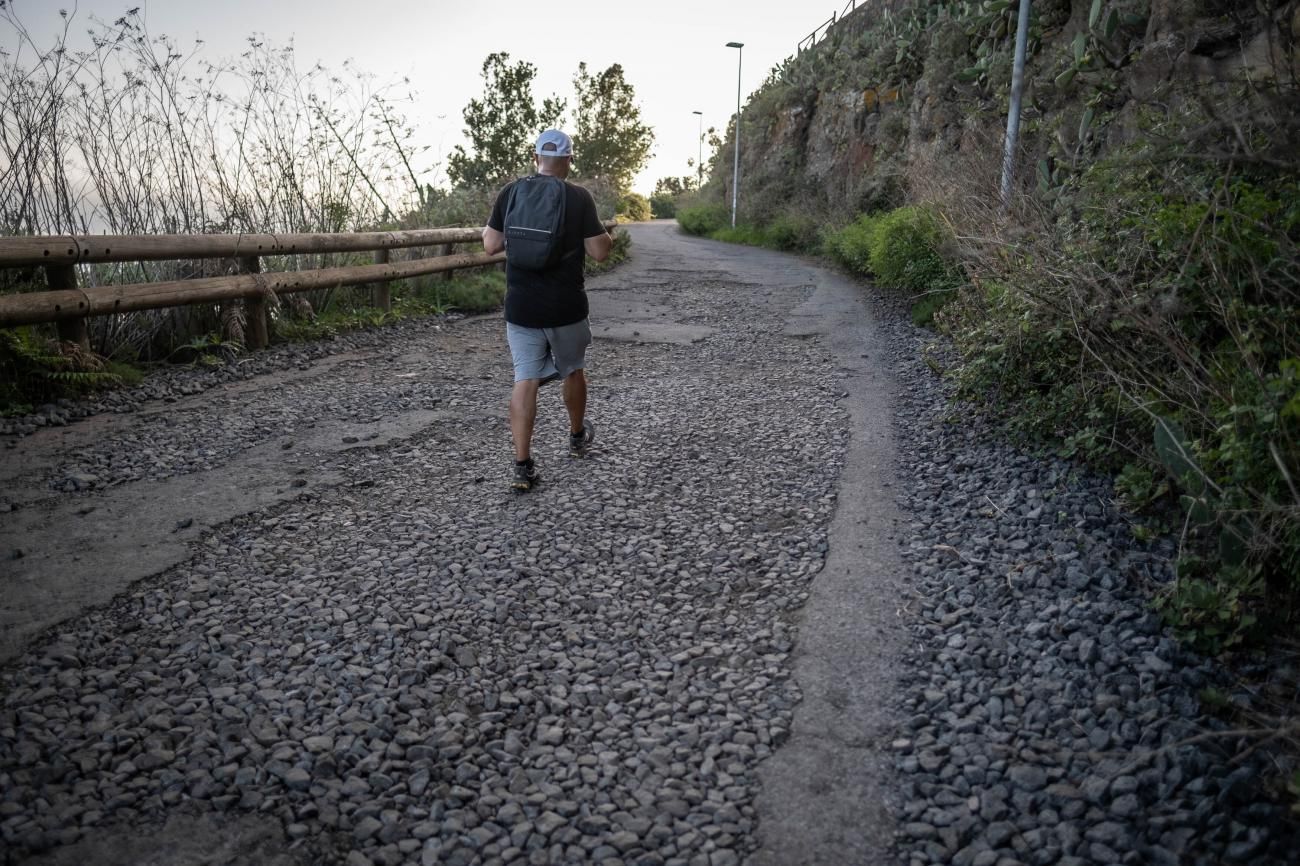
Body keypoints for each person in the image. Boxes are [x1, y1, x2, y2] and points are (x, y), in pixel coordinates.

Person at [482, 129, 614, 492]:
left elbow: (491, 244)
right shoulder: (579, 197)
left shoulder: (510, 192)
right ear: (569, 161)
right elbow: (600, 252)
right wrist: (606, 236)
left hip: (521, 306)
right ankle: (575, 437)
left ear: (534, 157)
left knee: (525, 378)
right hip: (566, 306)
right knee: (572, 370)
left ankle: (522, 466)